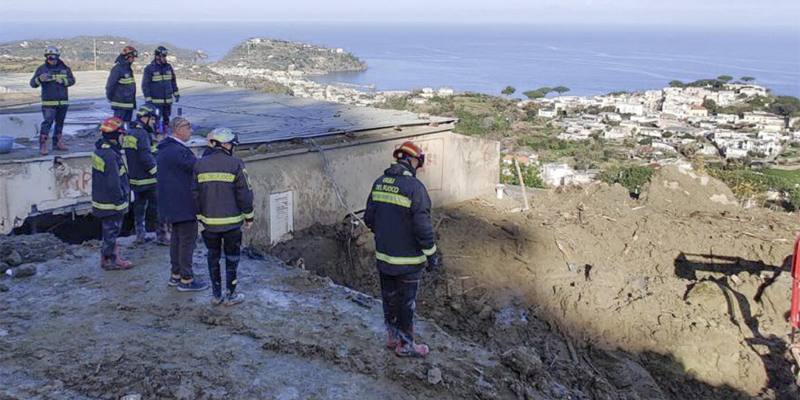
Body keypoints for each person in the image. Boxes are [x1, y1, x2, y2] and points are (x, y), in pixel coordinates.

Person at [364, 141, 443, 358]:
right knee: (406, 303)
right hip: (408, 262)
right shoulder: (415, 188)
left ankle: (392, 337)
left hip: (384, 258)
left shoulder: (379, 183)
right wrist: (432, 256)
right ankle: (406, 345)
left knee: (389, 299)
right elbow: (423, 229)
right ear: (414, 161)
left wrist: (388, 234)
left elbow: (369, 218)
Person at [193, 128, 254, 306]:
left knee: (212, 257)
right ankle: (231, 295)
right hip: (232, 223)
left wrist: (199, 217)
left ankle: (216, 295)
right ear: (225, 145)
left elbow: (194, 194)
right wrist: (249, 217)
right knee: (232, 258)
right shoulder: (236, 164)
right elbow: (245, 194)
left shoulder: (199, 164)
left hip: (209, 224)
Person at [157, 116, 207, 291]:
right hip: (183, 204)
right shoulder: (178, 151)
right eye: (188, 127)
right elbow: (198, 167)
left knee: (177, 240)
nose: (191, 131)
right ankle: (186, 279)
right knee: (187, 241)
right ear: (178, 129)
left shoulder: (165, 148)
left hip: (171, 205)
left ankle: (175, 275)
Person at [123, 103, 169, 245]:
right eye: (153, 119)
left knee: (139, 208)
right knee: (158, 207)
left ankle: (140, 235)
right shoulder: (142, 134)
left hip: (136, 179)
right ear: (145, 118)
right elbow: (145, 157)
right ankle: (161, 236)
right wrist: (157, 173)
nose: (154, 122)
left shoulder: (130, 132)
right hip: (148, 179)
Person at [91, 116, 133, 270]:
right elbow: (113, 182)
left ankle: (108, 257)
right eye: (122, 135)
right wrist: (120, 202)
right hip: (111, 202)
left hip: (102, 199)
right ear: (115, 137)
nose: (124, 139)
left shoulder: (101, 150)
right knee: (112, 231)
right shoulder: (110, 156)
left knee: (109, 230)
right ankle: (111, 259)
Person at [30, 46, 75, 155]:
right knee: (47, 123)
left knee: (60, 123)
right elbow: (32, 84)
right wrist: (40, 79)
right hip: (49, 103)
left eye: (53, 58)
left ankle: (57, 143)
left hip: (63, 102)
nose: (52, 60)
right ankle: (43, 145)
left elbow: (72, 80)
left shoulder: (65, 68)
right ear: (46, 58)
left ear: (57, 57)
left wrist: (63, 80)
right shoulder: (42, 69)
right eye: (49, 58)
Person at [142, 46, 179, 133]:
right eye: (163, 56)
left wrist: (176, 93)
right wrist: (148, 98)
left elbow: (173, 81)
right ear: (157, 56)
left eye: (165, 56)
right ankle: (155, 134)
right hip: (156, 102)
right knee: (155, 120)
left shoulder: (168, 67)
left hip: (167, 101)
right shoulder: (150, 68)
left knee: (166, 119)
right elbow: (145, 85)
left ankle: (165, 134)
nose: (165, 58)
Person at [106, 46, 138, 122]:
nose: (133, 59)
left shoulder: (127, 69)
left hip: (128, 105)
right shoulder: (118, 69)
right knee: (118, 128)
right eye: (132, 57)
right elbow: (110, 85)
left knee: (126, 129)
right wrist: (111, 98)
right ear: (126, 56)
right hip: (120, 106)